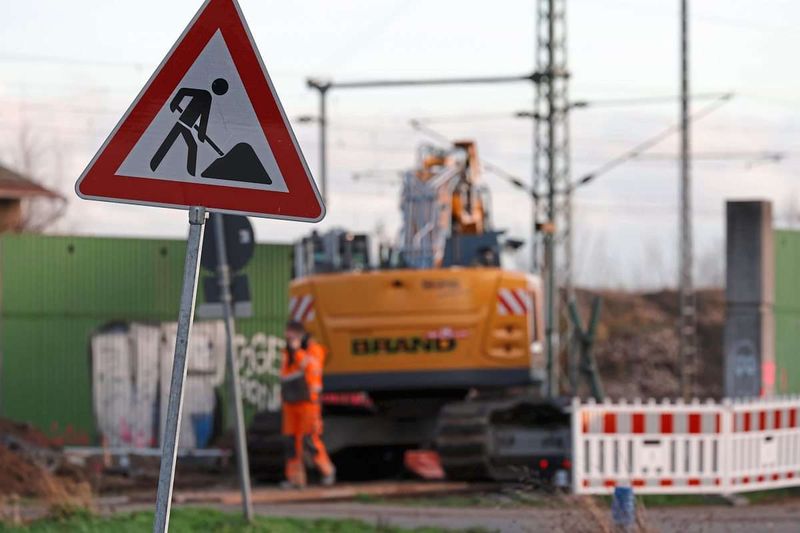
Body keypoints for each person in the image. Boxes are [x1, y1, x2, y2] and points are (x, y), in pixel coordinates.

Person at [281, 320, 335, 488]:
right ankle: (295, 479)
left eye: (291, 335)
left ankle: (327, 471)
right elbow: (285, 374)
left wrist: (296, 351)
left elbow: (309, 369)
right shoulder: (286, 352)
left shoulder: (313, 350)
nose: (288, 338)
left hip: (308, 403)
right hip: (291, 403)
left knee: (309, 440)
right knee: (292, 443)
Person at [150, 78, 229, 176]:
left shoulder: (207, 96)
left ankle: (154, 164)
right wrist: (174, 103)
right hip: (183, 123)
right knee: (185, 145)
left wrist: (201, 134)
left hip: (185, 125)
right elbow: (184, 91)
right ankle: (190, 174)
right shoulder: (206, 96)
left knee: (174, 142)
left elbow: (204, 117)